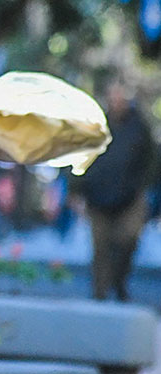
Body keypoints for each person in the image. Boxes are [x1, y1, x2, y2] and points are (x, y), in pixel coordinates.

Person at [74, 81, 155, 301]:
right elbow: (80, 155)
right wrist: (76, 190)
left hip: (130, 197)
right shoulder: (96, 124)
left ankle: (119, 281)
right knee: (100, 246)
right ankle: (99, 291)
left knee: (128, 240)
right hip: (97, 197)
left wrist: (143, 186)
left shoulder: (139, 126)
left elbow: (151, 160)